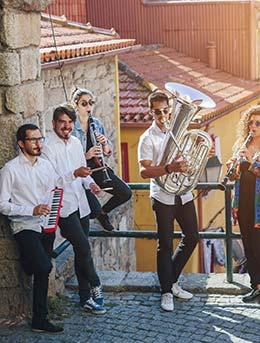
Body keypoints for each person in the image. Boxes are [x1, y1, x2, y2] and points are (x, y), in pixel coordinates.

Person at [42, 104, 107, 314]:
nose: (66, 126)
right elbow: (50, 181)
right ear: (54, 124)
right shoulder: (47, 147)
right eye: (62, 122)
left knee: (81, 251)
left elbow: (84, 173)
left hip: (81, 204)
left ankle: (85, 298)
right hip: (62, 207)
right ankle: (96, 283)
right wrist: (74, 174)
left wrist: (91, 184)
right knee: (83, 247)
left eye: (70, 122)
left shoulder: (77, 142)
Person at [138, 91, 199, 312]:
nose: (162, 115)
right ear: (151, 112)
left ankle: (170, 281)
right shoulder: (147, 138)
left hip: (183, 193)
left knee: (192, 237)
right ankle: (166, 291)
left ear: (170, 109)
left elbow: (189, 159)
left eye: (165, 110)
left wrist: (190, 165)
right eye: (157, 111)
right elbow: (144, 172)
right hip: (162, 196)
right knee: (165, 244)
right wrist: (169, 168)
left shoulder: (181, 134)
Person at [0, 124, 63, 333]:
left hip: (46, 225)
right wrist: (31, 210)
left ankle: (39, 321)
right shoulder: (10, 169)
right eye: (33, 140)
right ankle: (40, 317)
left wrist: (54, 207)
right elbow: (2, 204)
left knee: (41, 272)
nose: (38, 144)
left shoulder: (46, 165)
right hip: (24, 225)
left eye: (40, 139)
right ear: (21, 143)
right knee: (44, 267)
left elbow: (54, 191)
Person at [71, 87, 132, 231]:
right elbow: (69, 156)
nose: (89, 107)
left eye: (91, 103)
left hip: (97, 168)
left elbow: (108, 151)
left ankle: (103, 213)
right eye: (84, 103)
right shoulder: (72, 127)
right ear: (76, 105)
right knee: (90, 210)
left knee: (125, 192)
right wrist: (87, 155)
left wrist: (104, 144)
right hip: (80, 173)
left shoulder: (96, 123)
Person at [228, 105, 260, 303]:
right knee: (248, 246)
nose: (253, 126)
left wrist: (250, 161)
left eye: (258, 123)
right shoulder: (241, 144)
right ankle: (256, 285)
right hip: (244, 202)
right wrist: (232, 168)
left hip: (259, 205)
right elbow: (235, 176)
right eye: (251, 122)